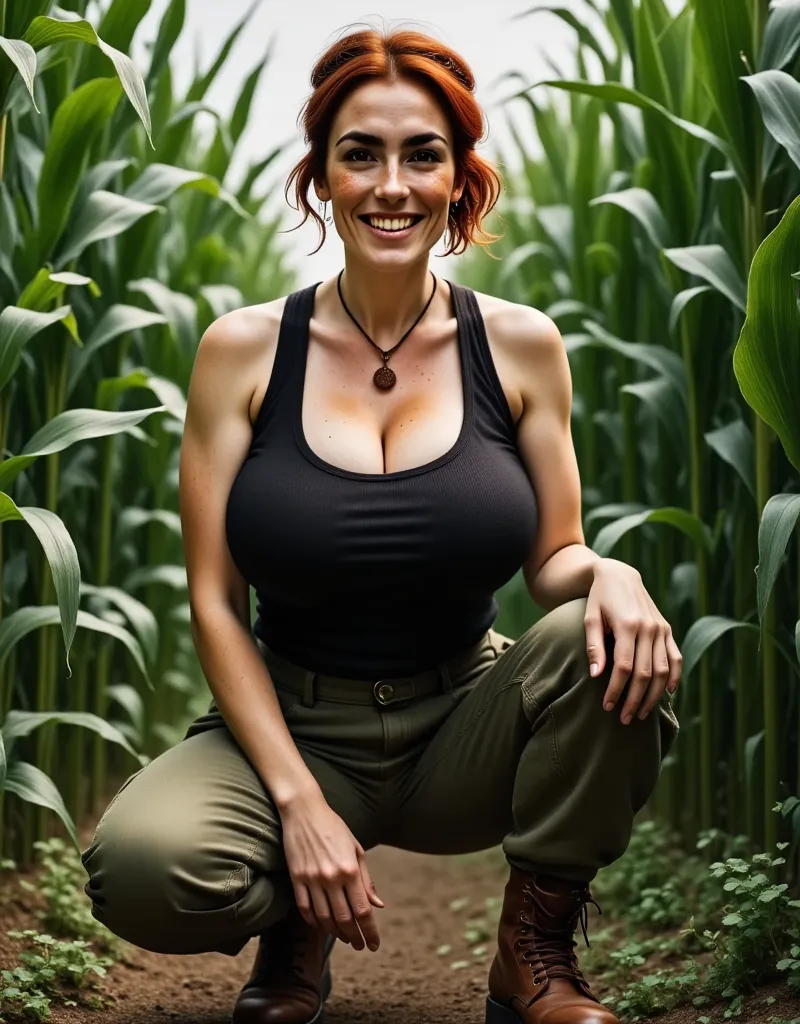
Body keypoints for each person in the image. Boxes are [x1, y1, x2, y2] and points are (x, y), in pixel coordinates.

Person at [79, 23, 682, 1024]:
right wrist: (298, 801)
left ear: (459, 178)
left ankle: (530, 953)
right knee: (143, 869)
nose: (390, 183)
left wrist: (609, 572)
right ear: (320, 174)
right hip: (294, 722)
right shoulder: (242, 353)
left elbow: (554, 558)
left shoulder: (521, 347)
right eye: (360, 152)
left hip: (463, 720)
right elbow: (214, 599)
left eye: (422, 154)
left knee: (608, 642)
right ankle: (294, 921)